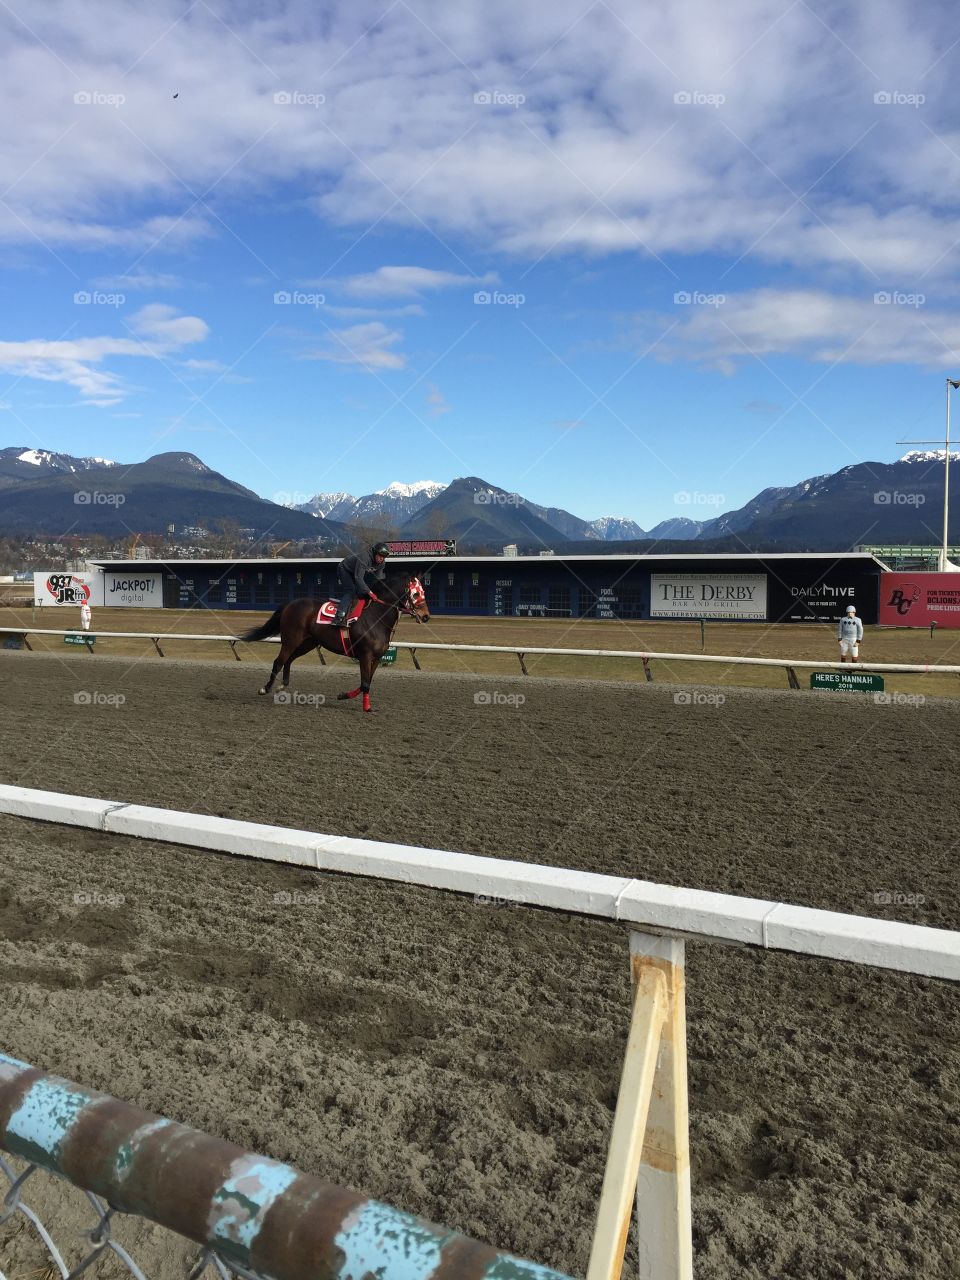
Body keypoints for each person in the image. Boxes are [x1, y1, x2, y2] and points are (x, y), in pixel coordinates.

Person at [332, 542, 389, 625]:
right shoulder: (365, 557)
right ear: (374, 553)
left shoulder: (382, 563)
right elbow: (358, 578)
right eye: (380, 555)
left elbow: (378, 580)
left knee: (362, 593)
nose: (382, 559)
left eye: (384, 557)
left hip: (355, 573)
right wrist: (370, 592)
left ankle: (354, 614)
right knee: (351, 591)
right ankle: (338, 617)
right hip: (344, 569)